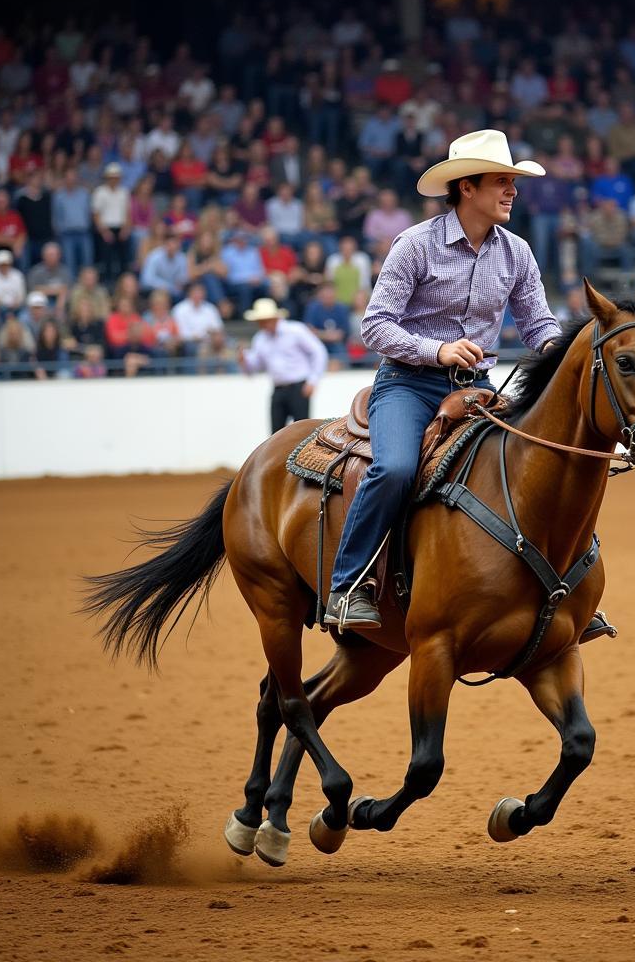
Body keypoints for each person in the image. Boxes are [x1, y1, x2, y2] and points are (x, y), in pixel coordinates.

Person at [325, 129, 561, 630]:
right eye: (502, 180)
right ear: (466, 187)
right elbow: (375, 325)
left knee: (531, 470)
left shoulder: (517, 252)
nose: (512, 191)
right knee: (394, 470)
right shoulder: (415, 244)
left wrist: (563, 354)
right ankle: (348, 586)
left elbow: (539, 325)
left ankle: (554, 590)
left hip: (477, 390)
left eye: (513, 182)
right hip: (408, 384)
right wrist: (437, 350)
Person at [240, 297, 328, 433]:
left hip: (299, 387)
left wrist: (312, 381)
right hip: (278, 389)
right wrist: (244, 360)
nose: (262, 325)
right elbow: (255, 366)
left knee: (302, 433)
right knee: (275, 435)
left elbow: (318, 352)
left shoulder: (295, 330)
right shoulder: (260, 338)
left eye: (264, 321)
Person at [91, 162, 132, 283]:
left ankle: (124, 280)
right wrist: (104, 231)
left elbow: (127, 212)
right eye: (112, 177)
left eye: (116, 177)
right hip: (105, 228)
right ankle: (108, 281)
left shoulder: (124, 192)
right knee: (106, 256)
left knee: (124, 257)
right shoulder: (100, 192)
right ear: (107, 178)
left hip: (121, 227)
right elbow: (96, 215)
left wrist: (126, 229)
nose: (114, 180)